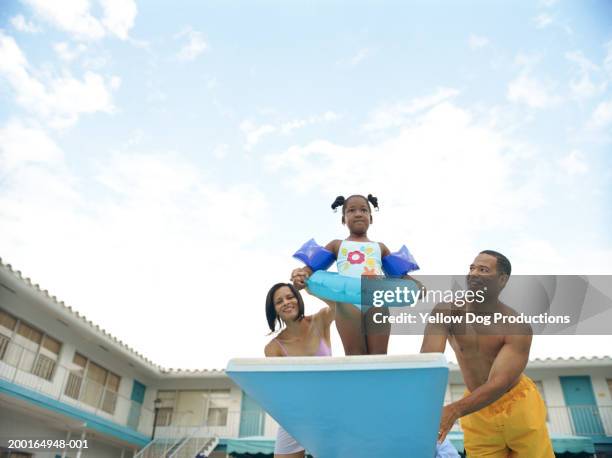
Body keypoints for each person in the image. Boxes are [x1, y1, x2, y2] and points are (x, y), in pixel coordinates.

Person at [421, 250, 554, 457]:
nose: (474, 274)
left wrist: (454, 410)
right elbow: (428, 365)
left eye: (483, 270)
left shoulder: (516, 325)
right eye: (472, 268)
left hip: (517, 403)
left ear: (502, 279)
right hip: (475, 408)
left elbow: (499, 382)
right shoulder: (446, 312)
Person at [292, 194, 411, 355]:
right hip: (348, 305)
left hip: (376, 302)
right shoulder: (337, 245)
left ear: (371, 218)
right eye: (351, 210)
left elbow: (400, 275)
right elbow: (311, 268)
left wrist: (414, 285)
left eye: (363, 210)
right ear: (343, 219)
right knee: (355, 355)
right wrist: (300, 274)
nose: (358, 214)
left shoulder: (380, 247)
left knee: (379, 356)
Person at [264, 282, 336, 458]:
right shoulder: (273, 348)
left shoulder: (320, 320)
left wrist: (312, 289)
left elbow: (339, 305)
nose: (286, 302)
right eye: (279, 301)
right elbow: (282, 390)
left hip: (330, 409)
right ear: (274, 310)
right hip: (296, 415)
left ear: (298, 298)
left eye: (290, 296)